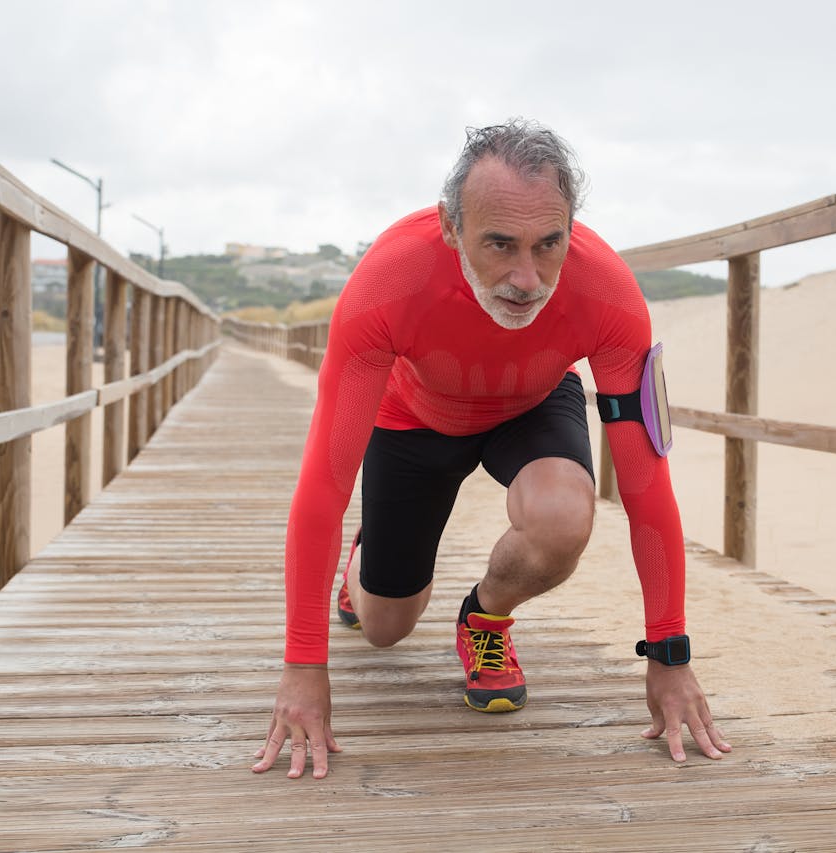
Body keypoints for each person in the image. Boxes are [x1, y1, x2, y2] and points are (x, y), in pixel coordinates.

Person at [252, 120, 730, 780]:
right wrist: (304, 666)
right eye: (500, 244)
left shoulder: (608, 294)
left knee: (566, 515)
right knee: (385, 627)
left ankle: (485, 618)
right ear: (452, 226)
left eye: (548, 244)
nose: (527, 277)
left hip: (532, 405)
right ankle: (366, 563)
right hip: (412, 416)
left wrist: (670, 654)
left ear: (572, 228)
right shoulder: (389, 280)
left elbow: (649, 489)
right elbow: (321, 487)